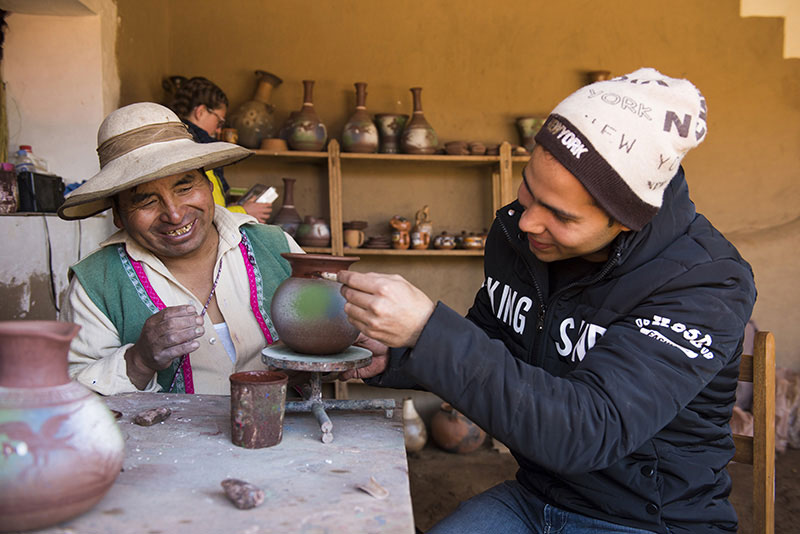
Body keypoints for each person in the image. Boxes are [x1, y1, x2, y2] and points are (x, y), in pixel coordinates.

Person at [338, 68, 756, 533]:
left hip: (648, 520)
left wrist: (426, 328)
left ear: (626, 221)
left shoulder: (706, 283)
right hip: (537, 495)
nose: (528, 222)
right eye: (528, 189)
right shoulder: (520, 241)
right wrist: (396, 355)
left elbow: (587, 430)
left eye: (559, 214)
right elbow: (488, 341)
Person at [57, 102, 303, 395]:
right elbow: (73, 397)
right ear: (118, 215)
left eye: (185, 188)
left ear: (208, 184)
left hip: (288, 438)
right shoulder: (96, 284)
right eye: (146, 201)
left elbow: (339, 335)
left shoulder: (276, 247)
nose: (174, 214)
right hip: (161, 442)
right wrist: (139, 360)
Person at [168, 76, 273, 223]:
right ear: (201, 111)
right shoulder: (194, 148)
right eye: (219, 120)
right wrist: (243, 211)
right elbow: (201, 214)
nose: (218, 130)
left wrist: (234, 208)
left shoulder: (187, 142)